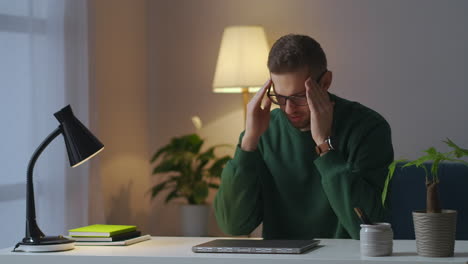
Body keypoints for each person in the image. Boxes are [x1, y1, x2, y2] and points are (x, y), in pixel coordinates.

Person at [213, 34, 394, 240]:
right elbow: (233, 225)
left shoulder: (368, 128)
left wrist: (324, 146)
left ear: (325, 82)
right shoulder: (264, 132)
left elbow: (367, 227)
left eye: (299, 96)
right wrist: (248, 143)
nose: (289, 109)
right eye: (280, 97)